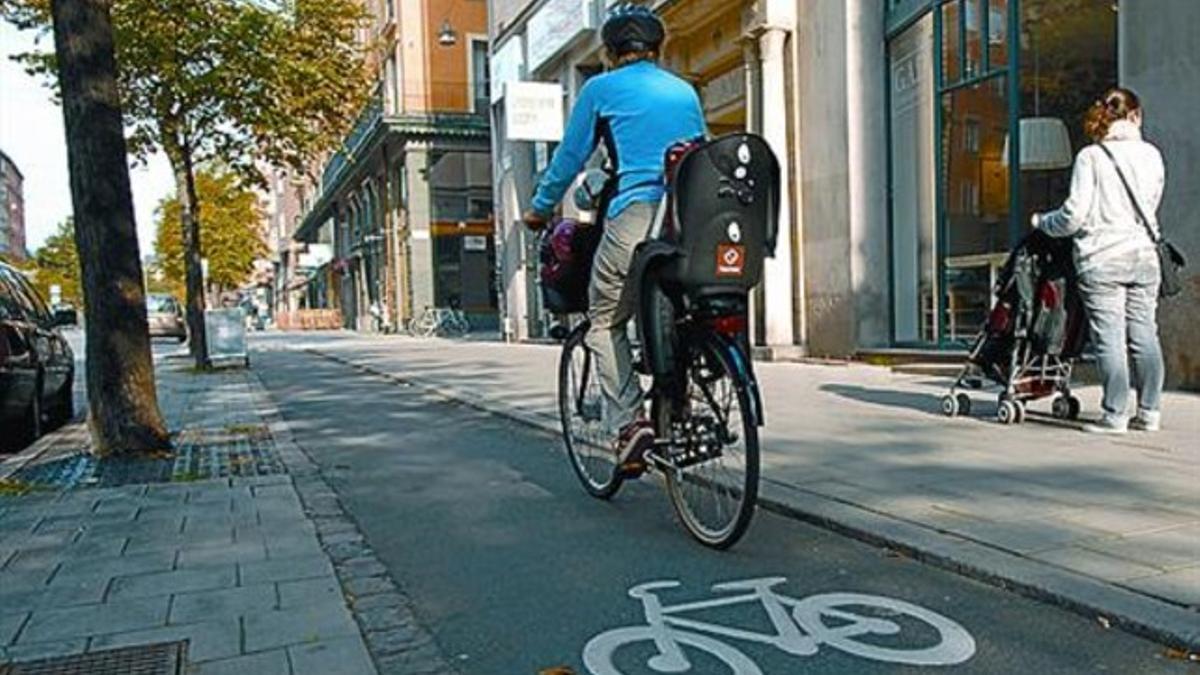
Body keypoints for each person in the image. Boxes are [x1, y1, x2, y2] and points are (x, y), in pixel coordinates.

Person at [523, 2, 706, 469]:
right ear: (657, 49)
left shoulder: (601, 89)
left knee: (605, 321)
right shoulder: (684, 91)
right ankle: (680, 398)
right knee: (682, 312)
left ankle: (630, 424)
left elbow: (569, 156)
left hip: (636, 212)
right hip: (690, 216)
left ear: (609, 52)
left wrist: (540, 208)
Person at [1033, 87, 1166, 434]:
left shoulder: (1091, 157)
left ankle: (1115, 415)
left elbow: (1073, 216)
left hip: (1102, 258)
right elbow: (1151, 203)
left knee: (1110, 338)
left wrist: (1042, 222)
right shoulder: (1152, 154)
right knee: (1144, 335)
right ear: (1135, 116)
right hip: (1144, 255)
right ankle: (1150, 412)